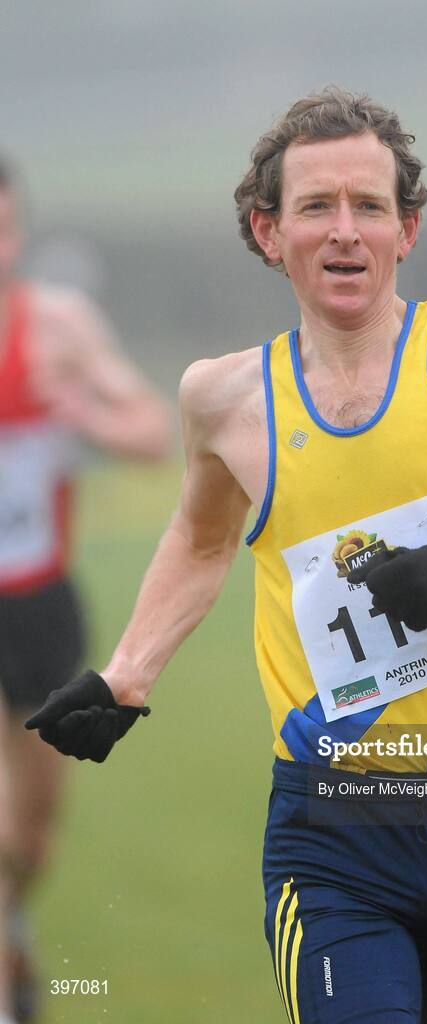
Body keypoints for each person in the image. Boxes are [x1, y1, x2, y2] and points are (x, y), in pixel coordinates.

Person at [26, 88, 427, 1024]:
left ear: (407, 229)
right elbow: (201, 538)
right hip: (333, 823)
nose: (345, 232)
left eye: (370, 207)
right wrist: (128, 674)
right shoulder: (224, 398)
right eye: (316, 207)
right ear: (266, 229)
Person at [0, 155, 172, 1023]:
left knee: (27, 835)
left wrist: (84, 416)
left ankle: (15, 922)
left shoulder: (58, 328)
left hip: (37, 603)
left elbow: (153, 431)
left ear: (14, 231)